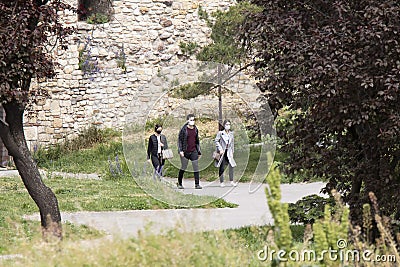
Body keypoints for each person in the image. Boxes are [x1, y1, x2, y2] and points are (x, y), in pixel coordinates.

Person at [177, 114, 202, 189]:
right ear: (187, 120)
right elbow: (180, 141)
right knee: (184, 167)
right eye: (191, 120)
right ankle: (179, 182)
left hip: (193, 150)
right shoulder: (183, 130)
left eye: (193, 120)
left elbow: (197, 141)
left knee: (196, 167)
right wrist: (180, 150)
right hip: (185, 151)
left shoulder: (195, 129)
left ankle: (197, 184)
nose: (192, 121)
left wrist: (199, 151)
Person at [215, 120, 237, 187]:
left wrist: (232, 152)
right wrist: (220, 149)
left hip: (229, 152)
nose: (228, 126)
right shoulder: (220, 133)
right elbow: (216, 141)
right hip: (222, 152)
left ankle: (231, 181)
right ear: (224, 125)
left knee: (231, 166)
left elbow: (232, 143)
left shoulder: (231, 133)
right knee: (222, 167)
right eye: (226, 124)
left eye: (229, 124)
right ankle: (221, 182)